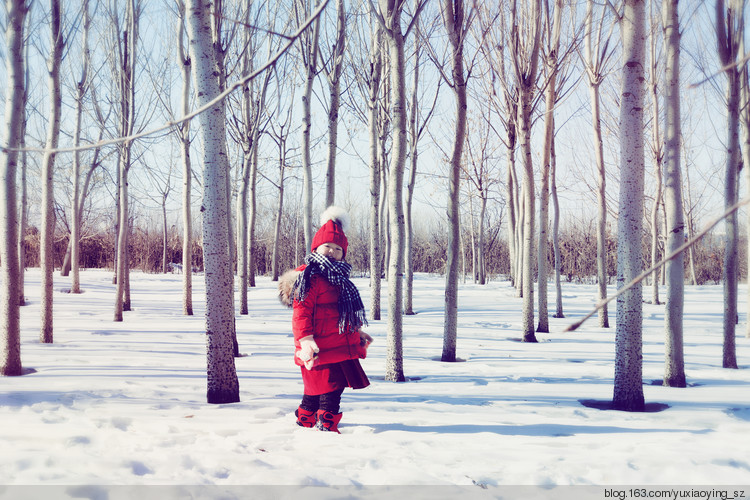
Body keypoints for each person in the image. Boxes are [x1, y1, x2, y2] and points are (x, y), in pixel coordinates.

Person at [278, 206, 372, 433]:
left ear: (343, 253)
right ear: (316, 248)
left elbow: (344, 311)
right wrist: (306, 340)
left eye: (337, 248)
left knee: (317, 388)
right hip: (319, 346)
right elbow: (301, 313)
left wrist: (357, 332)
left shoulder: (341, 278)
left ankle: (306, 417)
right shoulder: (310, 277)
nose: (331, 251)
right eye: (327, 246)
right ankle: (326, 427)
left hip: (340, 343)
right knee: (330, 388)